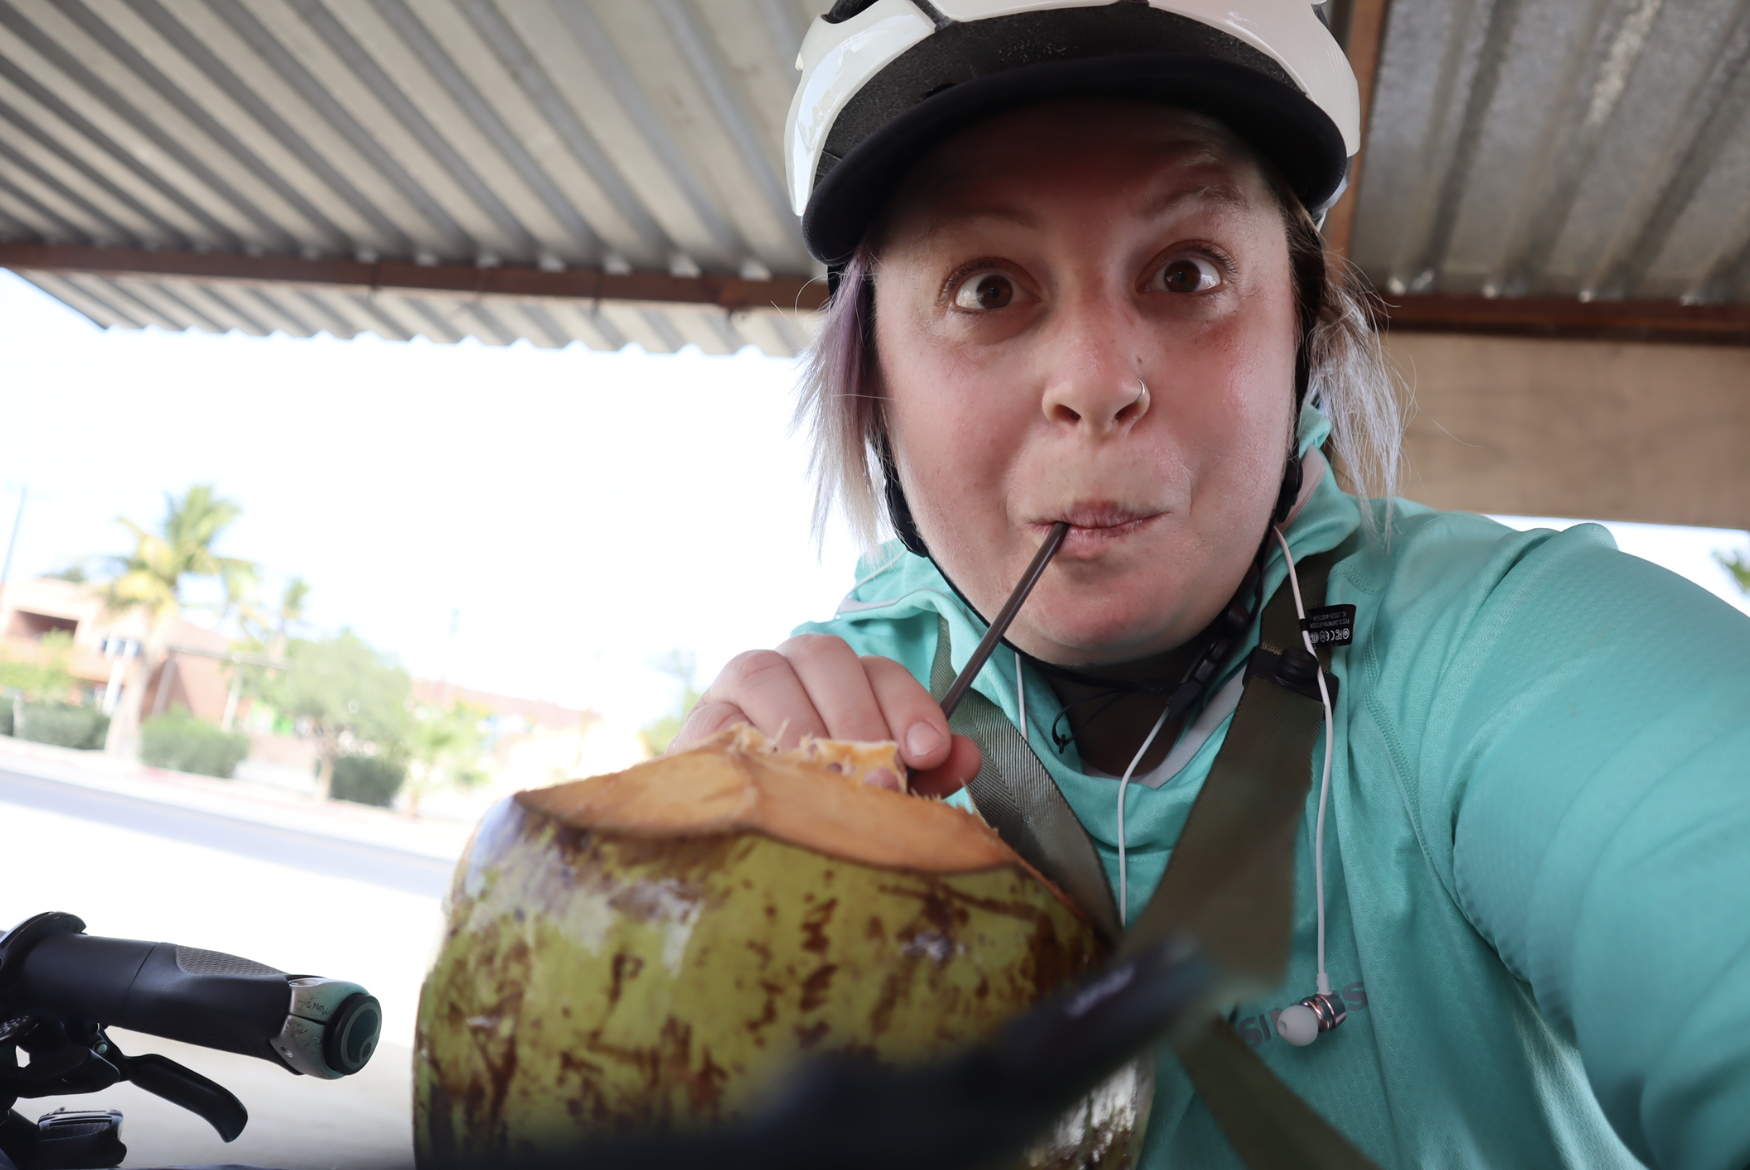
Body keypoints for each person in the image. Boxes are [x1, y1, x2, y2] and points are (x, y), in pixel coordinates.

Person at [673, 3, 1750, 1168]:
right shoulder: (822, 747)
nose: (1096, 382)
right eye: (987, 288)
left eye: (1186, 272)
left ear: (1302, 337)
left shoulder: (1499, 653)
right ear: (871, 368)